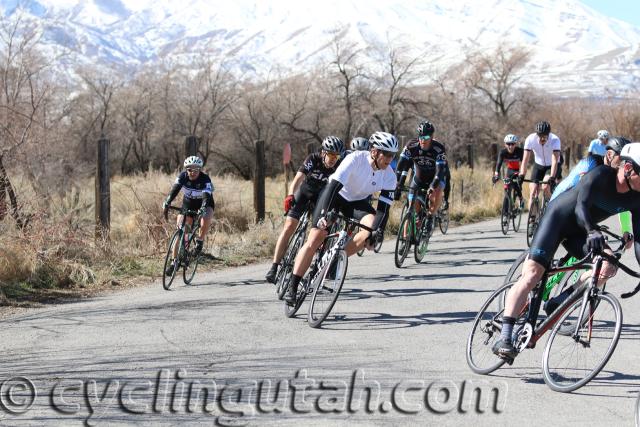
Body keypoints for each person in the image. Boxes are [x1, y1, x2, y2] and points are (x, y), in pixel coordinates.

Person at [492, 143, 640, 360]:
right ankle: (504, 336)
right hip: (558, 220)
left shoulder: (637, 198)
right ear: (628, 169)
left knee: (608, 265)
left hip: (580, 232)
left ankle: (560, 300)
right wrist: (591, 231)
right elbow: (581, 206)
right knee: (532, 274)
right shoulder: (601, 175)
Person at [284, 131, 398, 304]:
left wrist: (378, 230)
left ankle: (335, 258)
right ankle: (293, 286)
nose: (390, 159)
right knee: (316, 238)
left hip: (356, 203)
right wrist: (324, 214)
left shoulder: (390, 175)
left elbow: (383, 209)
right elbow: (333, 187)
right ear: (374, 152)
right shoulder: (356, 159)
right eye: (387, 154)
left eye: (393, 155)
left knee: (370, 230)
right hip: (335, 196)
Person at [265, 136, 344, 283]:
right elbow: (298, 178)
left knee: (320, 232)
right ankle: (274, 266)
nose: (334, 158)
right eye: (331, 154)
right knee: (289, 226)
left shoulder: (338, 166)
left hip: (320, 200)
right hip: (304, 193)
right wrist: (290, 195)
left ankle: (315, 263)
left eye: (337, 155)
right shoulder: (313, 159)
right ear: (324, 153)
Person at [162, 156, 214, 276]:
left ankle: (199, 241)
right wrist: (167, 202)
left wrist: (203, 208)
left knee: (205, 220)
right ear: (186, 170)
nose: (193, 172)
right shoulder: (182, 177)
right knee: (181, 231)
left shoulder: (205, 179)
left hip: (205, 204)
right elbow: (174, 190)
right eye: (190, 169)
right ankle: (174, 262)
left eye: (196, 170)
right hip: (188, 204)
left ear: (200, 170)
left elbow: (206, 196)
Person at [394, 120, 448, 233]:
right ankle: (417, 217)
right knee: (413, 203)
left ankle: (430, 217)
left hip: (435, 177)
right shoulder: (411, 145)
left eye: (426, 137)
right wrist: (397, 182)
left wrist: (433, 186)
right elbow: (401, 165)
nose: (423, 140)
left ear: (432, 136)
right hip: (419, 176)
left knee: (436, 193)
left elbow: (440, 171)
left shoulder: (438, 149)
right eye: (421, 136)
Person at [550, 136, 630, 201]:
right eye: (622, 159)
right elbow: (572, 190)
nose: (625, 163)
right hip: (560, 201)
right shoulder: (591, 165)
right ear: (609, 155)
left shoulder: (613, 170)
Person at [518, 121, 561, 212]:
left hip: (551, 166)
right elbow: (525, 159)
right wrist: (522, 174)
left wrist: (552, 177)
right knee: (532, 191)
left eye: (545, 135)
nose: (542, 138)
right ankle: (533, 219)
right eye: (540, 135)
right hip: (538, 165)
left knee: (545, 186)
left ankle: (552, 207)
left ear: (548, 134)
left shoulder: (555, 140)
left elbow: (554, 161)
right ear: (536, 134)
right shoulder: (530, 139)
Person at [493, 134, 524, 207]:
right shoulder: (503, 152)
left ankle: (521, 198)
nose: (510, 146)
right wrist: (496, 175)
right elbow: (498, 164)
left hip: (519, 170)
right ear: (505, 144)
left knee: (517, 184)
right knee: (507, 188)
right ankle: (506, 211)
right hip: (510, 170)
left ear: (515, 144)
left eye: (512, 144)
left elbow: (524, 163)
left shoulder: (520, 151)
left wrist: (521, 174)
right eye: (508, 144)